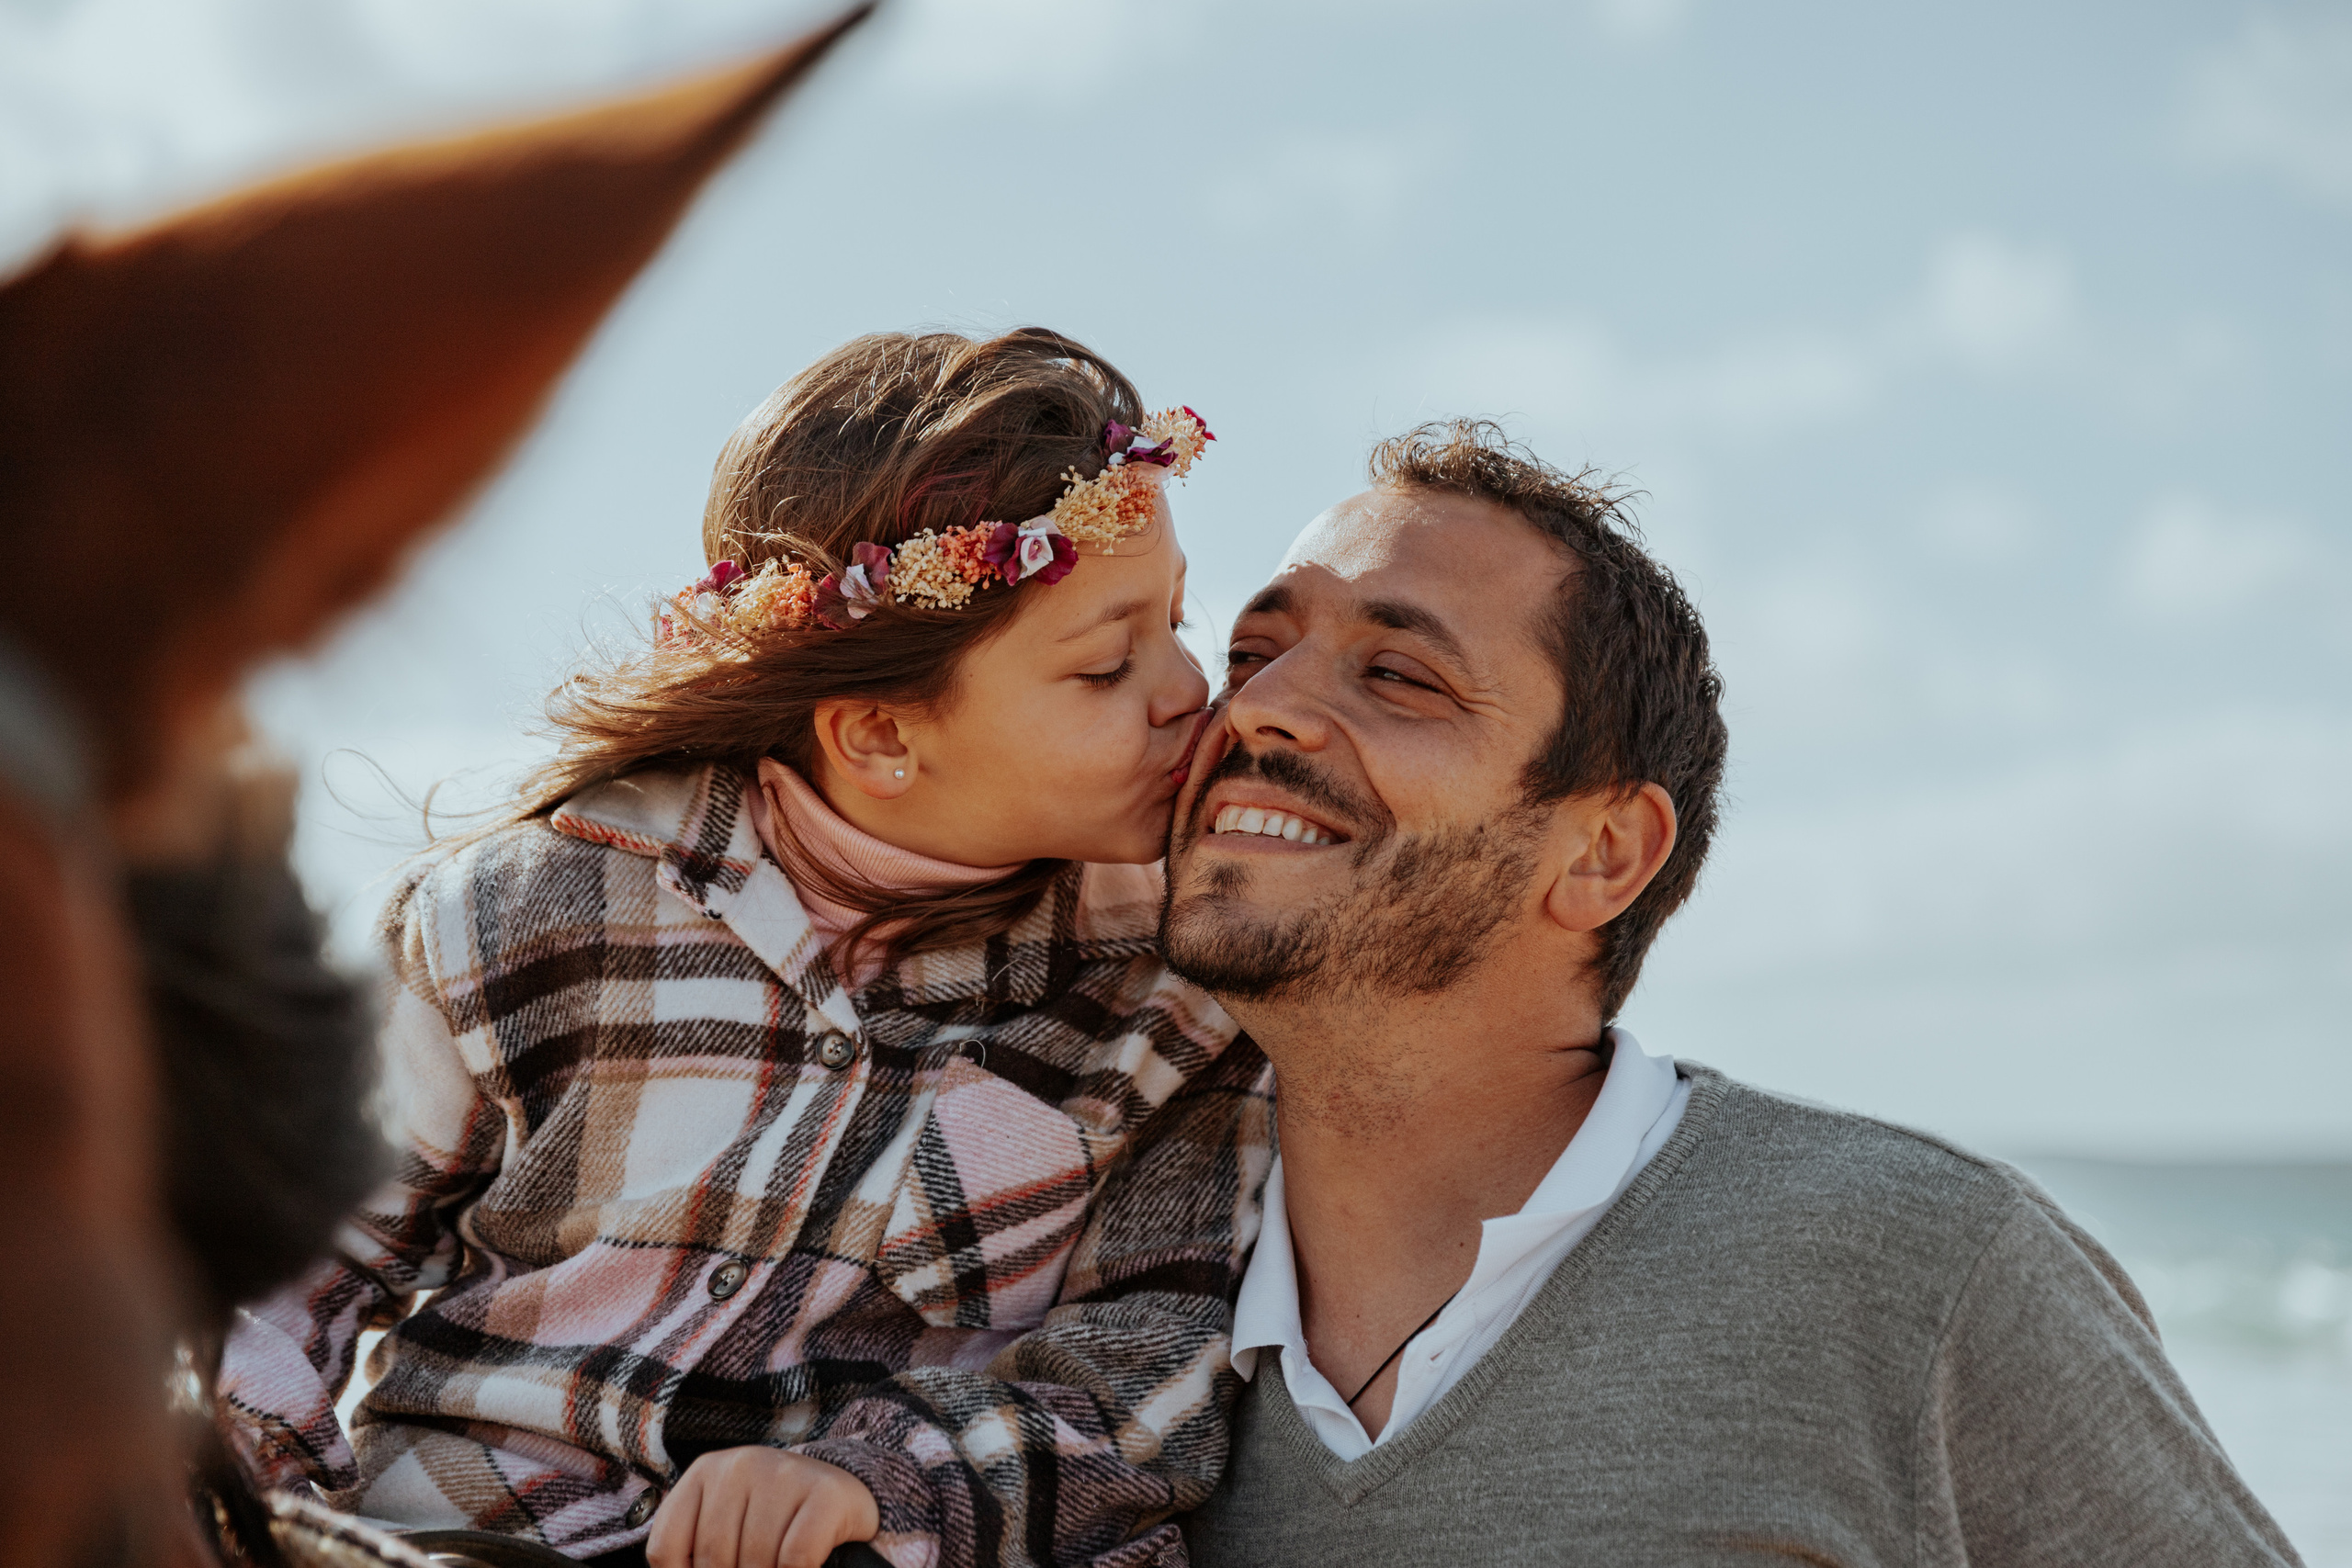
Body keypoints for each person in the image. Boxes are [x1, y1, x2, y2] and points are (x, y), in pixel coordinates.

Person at [218, 329, 1275, 1568]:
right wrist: (247, 1498)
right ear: (881, 730)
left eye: (1177, 618)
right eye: (1105, 663)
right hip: (473, 1528)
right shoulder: (533, 906)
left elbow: (1146, 1365)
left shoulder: (1180, 984)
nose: (1185, 685)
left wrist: (873, 1480)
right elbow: (286, 1264)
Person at [1167, 421, 2301, 1567]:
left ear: (1604, 853)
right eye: (1248, 657)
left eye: (1400, 675)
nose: (1257, 709)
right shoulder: (1083, 1319)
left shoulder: (1918, 1272)